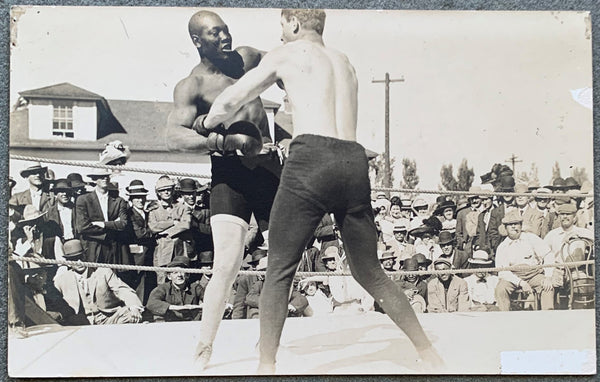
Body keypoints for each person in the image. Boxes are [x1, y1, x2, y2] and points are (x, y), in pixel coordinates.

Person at [201, 8, 442, 372]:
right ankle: (428, 352)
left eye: (282, 27)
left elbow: (230, 100)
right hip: (353, 160)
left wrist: (208, 122)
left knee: (279, 270)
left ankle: (265, 367)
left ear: (294, 23)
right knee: (370, 271)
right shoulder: (344, 62)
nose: (280, 36)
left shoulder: (287, 53)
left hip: (311, 159)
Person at [165, 10, 281, 368]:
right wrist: (221, 139)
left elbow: (283, 63)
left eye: (225, 30)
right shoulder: (192, 86)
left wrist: (297, 100)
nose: (224, 37)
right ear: (197, 41)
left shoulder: (246, 58)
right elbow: (172, 135)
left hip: (268, 168)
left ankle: (268, 340)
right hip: (229, 173)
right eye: (214, 33)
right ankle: (204, 345)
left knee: (283, 258)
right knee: (227, 262)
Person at [53, 239, 144, 325]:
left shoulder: (102, 271)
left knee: (131, 315)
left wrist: (134, 307)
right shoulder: (61, 280)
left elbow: (122, 290)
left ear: (86, 256)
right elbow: (53, 301)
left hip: (108, 318)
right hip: (79, 323)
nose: (79, 261)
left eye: (81, 257)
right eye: (74, 259)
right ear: (68, 262)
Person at [494, 210, 554, 311]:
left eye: (516, 224)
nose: (513, 227)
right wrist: (521, 283)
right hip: (514, 276)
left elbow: (548, 255)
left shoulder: (531, 238)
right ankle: (504, 318)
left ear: (521, 226)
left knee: (547, 287)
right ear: (505, 228)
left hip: (534, 274)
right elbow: (503, 272)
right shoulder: (503, 247)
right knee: (500, 289)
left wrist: (548, 277)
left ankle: (547, 317)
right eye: (510, 224)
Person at [75, 168, 130, 265]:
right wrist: (112, 227)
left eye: (107, 176)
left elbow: (123, 224)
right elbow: (82, 227)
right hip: (93, 247)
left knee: (113, 276)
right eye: (101, 177)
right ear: (94, 180)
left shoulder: (118, 201)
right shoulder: (83, 200)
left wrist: (103, 224)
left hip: (114, 247)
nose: (105, 179)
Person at [146, 256, 205, 322]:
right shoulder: (163, 288)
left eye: (182, 272)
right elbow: (151, 303)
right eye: (175, 273)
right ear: (169, 276)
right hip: (170, 324)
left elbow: (210, 300)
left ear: (187, 275)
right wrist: (174, 307)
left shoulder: (195, 287)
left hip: (191, 322)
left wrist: (198, 307)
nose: (179, 275)